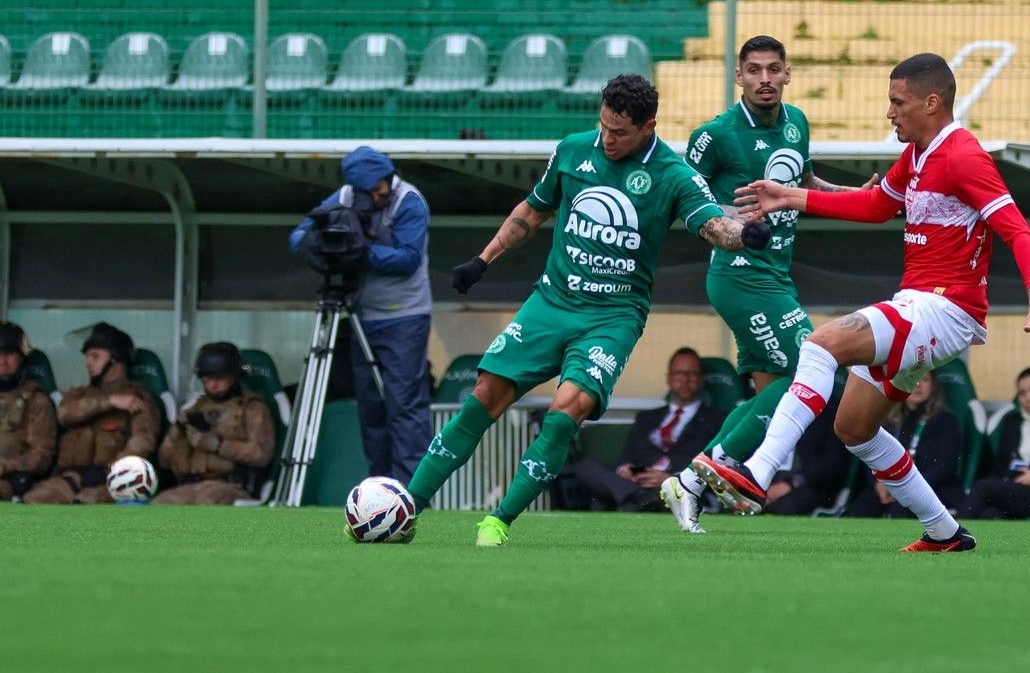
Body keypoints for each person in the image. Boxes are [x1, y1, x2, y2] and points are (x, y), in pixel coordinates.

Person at [697, 52, 1030, 552]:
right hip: (918, 306)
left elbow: (1017, 230)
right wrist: (790, 196)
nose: (890, 113)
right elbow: (877, 205)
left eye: (898, 102)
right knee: (854, 427)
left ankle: (757, 472)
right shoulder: (916, 155)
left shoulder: (963, 156)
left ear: (931, 102)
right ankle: (943, 531)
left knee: (820, 345)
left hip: (945, 309)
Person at [404, 73, 771, 546]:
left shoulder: (673, 175)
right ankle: (407, 507)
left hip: (612, 318)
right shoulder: (573, 150)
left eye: (620, 132)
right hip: (551, 302)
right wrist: (483, 259)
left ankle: (497, 522)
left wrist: (746, 235)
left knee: (565, 413)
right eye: (604, 126)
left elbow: (714, 225)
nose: (608, 139)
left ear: (649, 126)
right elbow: (533, 209)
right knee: (483, 396)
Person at [662, 35, 876, 533]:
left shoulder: (797, 122)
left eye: (773, 69)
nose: (764, 78)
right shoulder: (715, 135)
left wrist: (852, 195)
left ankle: (692, 485)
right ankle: (693, 479)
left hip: (776, 277)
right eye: (754, 70)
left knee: (775, 393)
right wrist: (730, 225)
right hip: (740, 276)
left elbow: (805, 184)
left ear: (787, 73)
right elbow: (682, 198)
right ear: (738, 76)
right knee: (814, 371)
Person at [289, 145, 433, 484]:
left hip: (405, 318)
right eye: (372, 190)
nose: (380, 193)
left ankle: (413, 492)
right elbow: (298, 237)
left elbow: (408, 259)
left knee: (404, 407)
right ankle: (379, 491)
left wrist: (359, 250)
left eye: (382, 185)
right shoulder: (345, 197)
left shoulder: (409, 201)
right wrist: (320, 242)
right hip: (362, 317)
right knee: (371, 410)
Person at [573, 347, 725, 515]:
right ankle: (639, 499)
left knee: (669, 494)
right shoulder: (645, 418)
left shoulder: (717, 420)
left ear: (701, 380)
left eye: (692, 374)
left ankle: (635, 501)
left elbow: (714, 467)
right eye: (679, 373)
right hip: (635, 484)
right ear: (669, 379)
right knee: (586, 467)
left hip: (675, 485)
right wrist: (625, 470)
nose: (685, 379)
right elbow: (624, 460)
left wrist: (671, 479)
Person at [23, 322, 161, 504]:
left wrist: (114, 470)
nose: (88, 363)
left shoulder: (138, 396)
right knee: (35, 500)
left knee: (87, 504)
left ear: (115, 359)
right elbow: (64, 414)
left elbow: (143, 442)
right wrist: (110, 401)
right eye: (87, 357)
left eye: (95, 356)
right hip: (69, 477)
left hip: (111, 480)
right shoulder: (79, 394)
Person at [153, 342, 276, 505]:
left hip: (231, 486)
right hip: (190, 486)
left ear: (235, 376)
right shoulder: (194, 408)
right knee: (160, 505)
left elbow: (261, 455)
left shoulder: (252, 409)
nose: (212, 384)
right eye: (207, 378)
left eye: (219, 378)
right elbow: (164, 460)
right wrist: (177, 430)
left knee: (207, 506)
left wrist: (217, 445)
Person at [842, 371, 965, 518]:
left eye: (924, 379)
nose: (917, 385)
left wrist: (907, 487)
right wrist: (877, 482)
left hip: (930, 489)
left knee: (900, 513)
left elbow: (944, 468)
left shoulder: (946, 422)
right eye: (911, 378)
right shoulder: (888, 420)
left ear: (934, 386)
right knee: (859, 511)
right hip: (889, 487)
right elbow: (870, 455)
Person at [961, 366, 1030, 520]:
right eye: (1022, 393)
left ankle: (952, 532)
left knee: (982, 488)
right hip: (1013, 488)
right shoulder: (1012, 422)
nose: (1028, 397)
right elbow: (1000, 467)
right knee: (989, 514)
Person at [761, 387, 851, 516]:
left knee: (783, 508)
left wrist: (793, 482)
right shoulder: (768, 399)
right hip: (766, 481)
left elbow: (833, 462)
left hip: (808, 485)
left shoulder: (830, 407)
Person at [0, 321, 56, 501]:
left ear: (22, 358)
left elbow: (41, 456)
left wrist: (6, 465)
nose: (2, 362)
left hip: (11, 480)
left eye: (9, 354)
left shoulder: (35, 400)